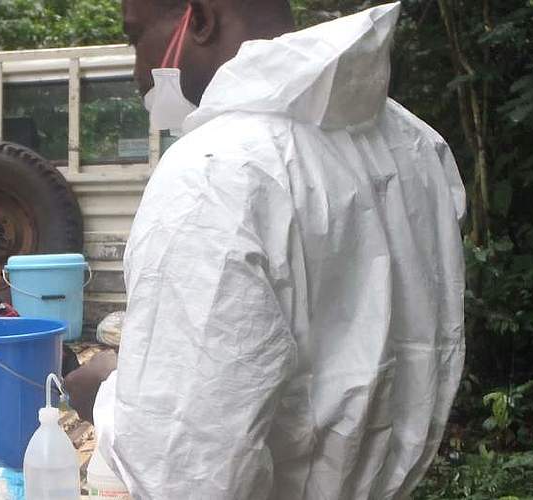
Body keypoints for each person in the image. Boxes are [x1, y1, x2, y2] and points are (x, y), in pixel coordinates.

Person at [65, 1, 467, 498]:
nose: (135, 71)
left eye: (135, 37)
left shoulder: (215, 172)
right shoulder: (413, 144)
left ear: (201, 21)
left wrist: (105, 393)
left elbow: (189, 469)